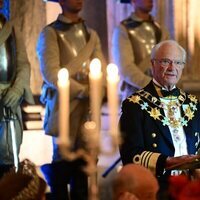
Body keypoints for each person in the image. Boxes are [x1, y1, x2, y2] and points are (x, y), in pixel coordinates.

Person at [37, 0, 106, 199]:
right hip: (63, 109)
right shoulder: (50, 33)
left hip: (87, 111)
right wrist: (82, 91)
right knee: (61, 167)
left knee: (85, 168)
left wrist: (96, 90)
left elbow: (99, 68)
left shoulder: (90, 35)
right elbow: (51, 73)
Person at [119, 40, 200, 198]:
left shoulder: (193, 103)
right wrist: (168, 161)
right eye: (165, 61)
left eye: (177, 62)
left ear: (182, 66)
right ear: (153, 64)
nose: (172, 68)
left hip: (190, 187)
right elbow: (130, 155)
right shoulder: (135, 105)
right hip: (156, 188)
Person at [0, 0, 34, 178]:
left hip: (9, 102)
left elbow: (23, 64)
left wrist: (17, 89)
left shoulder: (12, 30)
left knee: (8, 162)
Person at [112, 0, 169, 101]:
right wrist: (152, 85)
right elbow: (125, 68)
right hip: (135, 95)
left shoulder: (160, 29)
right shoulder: (123, 30)